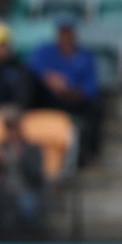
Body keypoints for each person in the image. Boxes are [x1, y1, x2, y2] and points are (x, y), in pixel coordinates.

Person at [26, 13, 102, 167]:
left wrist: (70, 89)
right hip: (50, 98)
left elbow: (90, 88)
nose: (65, 36)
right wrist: (48, 78)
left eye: (68, 32)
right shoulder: (46, 51)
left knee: (97, 106)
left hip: (73, 99)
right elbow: (30, 68)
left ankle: (89, 155)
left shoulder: (85, 56)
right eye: (62, 32)